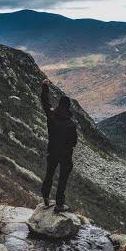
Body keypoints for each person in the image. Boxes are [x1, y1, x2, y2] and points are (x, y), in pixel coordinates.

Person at [39, 78, 77, 213]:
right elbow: (74, 142)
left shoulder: (52, 117)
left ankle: (45, 197)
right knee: (62, 179)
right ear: (68, 108)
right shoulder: (70, 124)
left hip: (53, 152)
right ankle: (59, 204)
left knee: (49, 174)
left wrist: (45, 87)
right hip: (66, 155)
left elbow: (45, 102)